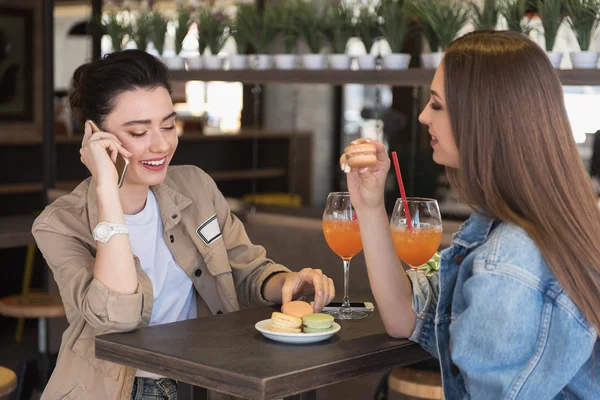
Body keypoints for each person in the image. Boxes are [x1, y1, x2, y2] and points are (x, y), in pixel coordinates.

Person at [32, 50, 335, 400]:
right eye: (139, 131)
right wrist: (105, 188)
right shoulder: (59, 224)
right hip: (115, 390)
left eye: (167, 124)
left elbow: (247, 272)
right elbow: (116, 318)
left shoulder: (196, 186)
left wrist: (287, 282)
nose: (161, 144)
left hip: (201, 383)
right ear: (95, 135)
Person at [344, 31, 600, 399]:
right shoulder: (524, 229)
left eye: (436, 105)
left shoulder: (509, 264)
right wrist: (369, 205)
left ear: (481, 117)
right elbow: (406, 317)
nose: (422, 115)